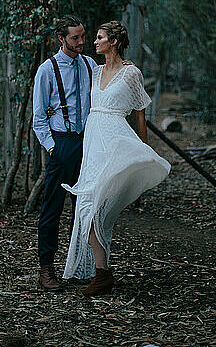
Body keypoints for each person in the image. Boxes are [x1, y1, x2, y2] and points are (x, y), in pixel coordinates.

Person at [62, 21, 171, 296]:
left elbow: (140, 113)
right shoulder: (94, 69)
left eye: (99, 38)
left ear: (113, 42)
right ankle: (102, 272)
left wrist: (144, 150)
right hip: (93, 146)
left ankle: (102, 274)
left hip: (115, 143)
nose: (94, 42)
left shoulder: (132, 73)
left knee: (98, 209)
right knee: (86, 210)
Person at [33, 15, 97, 291]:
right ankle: (46, 268)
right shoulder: (47, 70)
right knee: (52, 208)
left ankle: (79, 266)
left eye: (83, 36)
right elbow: (38, 117)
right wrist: (52, 147)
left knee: (84, 207)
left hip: (88, 143)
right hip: (62, 144)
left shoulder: (89, 64)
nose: (82, 42)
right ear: (61, 39)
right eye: (75, 38)